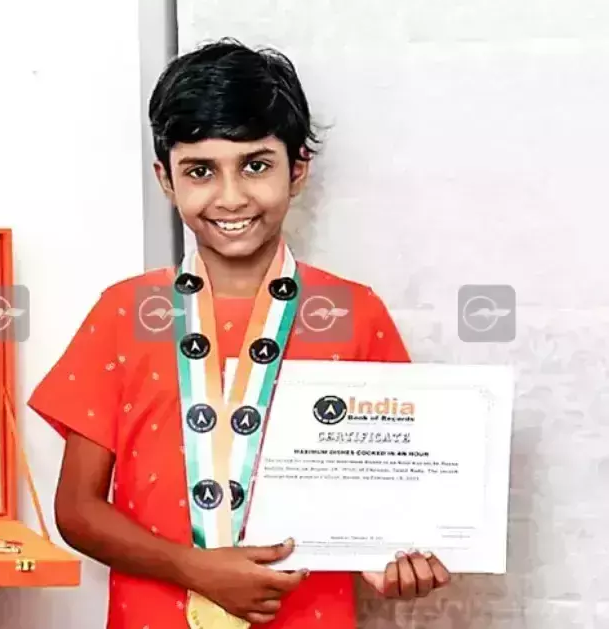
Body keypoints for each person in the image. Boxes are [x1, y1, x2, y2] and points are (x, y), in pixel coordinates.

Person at [28, 38, 452, 628]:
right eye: (201, 171)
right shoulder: (124, 313)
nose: (230, 197)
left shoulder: (355, 315)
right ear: (166, 179)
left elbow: (390, 496)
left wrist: (394, 559)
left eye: (255, 165)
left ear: (297, 168)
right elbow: (76, 510)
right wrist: (191, 566)